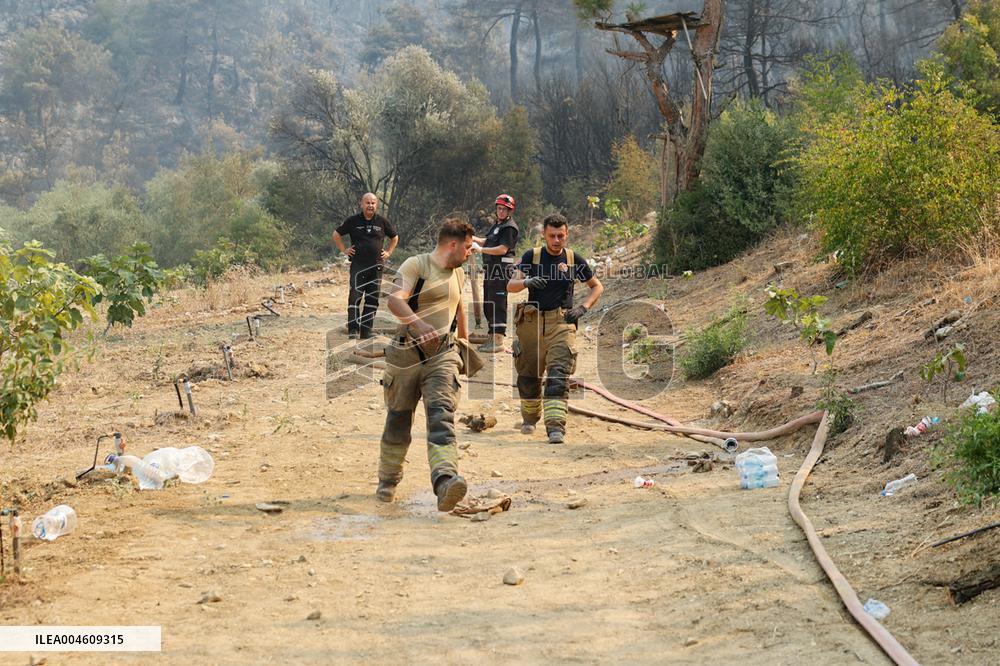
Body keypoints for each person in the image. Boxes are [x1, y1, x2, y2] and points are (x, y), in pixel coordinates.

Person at [375, 218, 474, 511]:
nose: (470, 253)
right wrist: (418, 324)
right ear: (452, 244)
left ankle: (445, 481)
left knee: (441, 417)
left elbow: (458, 308)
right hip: (406, 356)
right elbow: (394, 300)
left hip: (442, 356)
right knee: (398, 422)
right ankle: (388, 481)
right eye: (467, 247)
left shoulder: (458, 274)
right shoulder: (415, 266)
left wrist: (465, 346)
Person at [508, 213, 603, 444]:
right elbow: (510, 286)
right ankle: (530, 418)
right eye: (552, 235)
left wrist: (583, 307)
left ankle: (555, 428)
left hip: (562, 322)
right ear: (544, 235)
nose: (557, 240)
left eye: (561, 235)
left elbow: (596, 287)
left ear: (567, 234)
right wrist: (527, 282)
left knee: (559, 376)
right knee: (528, 377)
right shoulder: (532, 256)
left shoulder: (573, 259)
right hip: (532, 323)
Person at [332, 193, 399, 339]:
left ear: (377, 205)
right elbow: (336, 234)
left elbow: (394, 237)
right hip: (358, 266)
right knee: (355, 297)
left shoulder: (382, 222)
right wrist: (344, 250)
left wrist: (388, 252)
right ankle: (353, 330)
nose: (370, 205)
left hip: (376, 267)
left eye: (373, 203)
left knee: (372, 299)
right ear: (361, 204)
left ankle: (366, 331)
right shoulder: (352, 221)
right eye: (367, 203)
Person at [471, 194, 519, 353]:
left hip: (501, 269)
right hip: (491, 268)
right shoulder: (497, 225)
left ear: (510, 211)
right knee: (489, 302)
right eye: (499, 209)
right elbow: (489, 241)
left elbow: (502, 249)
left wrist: (481, 250)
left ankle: (498, 341)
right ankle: (491, 338)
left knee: (498, 303)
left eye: (504, 209)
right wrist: (473, 239)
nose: (501, 212)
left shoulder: (509, 227)